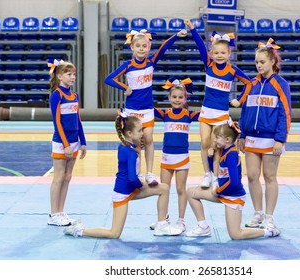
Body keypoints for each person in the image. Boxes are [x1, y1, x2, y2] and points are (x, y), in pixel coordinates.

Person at [63, 112, 182, 238]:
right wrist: (142, 184)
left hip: (131, 188)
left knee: (164, 188)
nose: (142, 133)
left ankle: (162, 225)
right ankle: (79, 231)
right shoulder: (129, 151)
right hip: (123, 193)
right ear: (130, 133)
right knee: (114, 233)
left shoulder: (127, 146)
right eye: (140, 131)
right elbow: (131, 178)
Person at [105, 28, 187, 186]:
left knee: (148, 138)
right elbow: (109, 79)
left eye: (144, 46)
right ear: (132, 47)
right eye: (138, 46)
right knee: (136, 142)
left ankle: (149, 172)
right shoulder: (127, 65)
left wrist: (176, 36)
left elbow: (163, 47)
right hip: (132, 110)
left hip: (147, 109)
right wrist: (124, 87)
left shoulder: (151, 62)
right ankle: (138, 172)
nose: (141, 49)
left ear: (148, 48)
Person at [183, 19, 252, 189]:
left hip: (221, 113)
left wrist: (239, 100)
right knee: (205, 143)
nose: (219, 55)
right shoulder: (209, 64)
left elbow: (249, 83)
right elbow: (200, 44)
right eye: (216, 52)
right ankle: (207, 174)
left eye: (223, 52)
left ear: (229, 53)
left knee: (216, 145)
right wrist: (192, 29)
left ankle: (215, 175)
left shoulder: (232, 70)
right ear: (212, 53)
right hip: (206, 112)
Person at [185, 121, 279, 239]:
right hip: (223, 193)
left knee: (236, 235)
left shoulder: (232, 154)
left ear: (228, 140)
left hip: (233, 196)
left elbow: (234, 183)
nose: (214, 140)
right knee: (190, 192)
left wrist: (218, 190)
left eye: (217, 138)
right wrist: (210, 158)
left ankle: (268, 231)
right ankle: (203, 226)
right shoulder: (223, 151)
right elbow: (217, 172)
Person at [237, 38, 292, 232]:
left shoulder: (280, 84)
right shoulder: (251, 84)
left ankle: (269, 217)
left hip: (271, 139)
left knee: (269, 176)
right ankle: (258, 213)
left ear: (272, 62)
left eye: (262, 62)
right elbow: (244, 110)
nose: (259, 65)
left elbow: (285, 113)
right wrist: (241, 134)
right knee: (252, 176)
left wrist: (280, 139)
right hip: (251, 137)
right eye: (256, 62)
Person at [150, 77, 200, 232]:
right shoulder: (165, 113)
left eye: (180, 97)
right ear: (169, 98)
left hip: (182, 157)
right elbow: (145, 107)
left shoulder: (189, 115)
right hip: (166, 157)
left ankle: (181, 220)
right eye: (174, 97)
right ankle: (163, 218)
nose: (177, 100)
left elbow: (208, 115)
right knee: (163, 189)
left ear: (185, 98)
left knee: (180, 189)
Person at [47, 59, 87, 226]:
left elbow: (78, 120)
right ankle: (54, 213)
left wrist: (83, 141)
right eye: (69, 74)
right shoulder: (57, 95)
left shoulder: (74, 95)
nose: (73, 77)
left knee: (68, 177)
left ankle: (61, 212)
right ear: (60, 76)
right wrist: (66, 145)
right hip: (61, 143)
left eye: (74, 74)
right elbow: (57, 122)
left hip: (74, 142)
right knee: (58, 177)